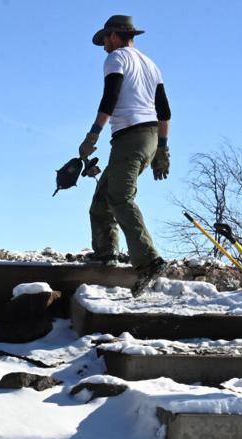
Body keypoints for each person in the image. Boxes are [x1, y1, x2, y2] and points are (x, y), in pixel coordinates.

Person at [77, 15, 171, 291]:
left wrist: (93, 133)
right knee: (103, 199)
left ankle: (149, 261)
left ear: (116, 35)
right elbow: (164, 111)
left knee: (120, 196)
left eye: (105, 39)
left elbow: (110, 97)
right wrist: (163, 148)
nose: (104, 45)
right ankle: (106, 254)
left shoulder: (116, 59)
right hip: (149, 137)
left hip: (130, 137)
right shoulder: (151, 65)